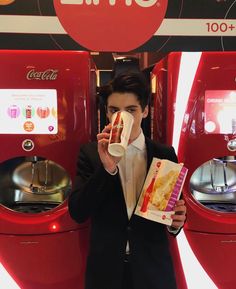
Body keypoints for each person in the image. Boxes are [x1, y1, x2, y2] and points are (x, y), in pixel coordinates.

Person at [68, 71, 187, 289]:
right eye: (114, 110)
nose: (122, 117)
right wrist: (108, 168)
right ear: (106, 113)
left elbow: (171, 213)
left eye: (131, 110)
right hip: (106, 271)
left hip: (153, 270)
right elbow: (78, 212)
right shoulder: (91, 153)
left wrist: (176, 222)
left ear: (145, 110)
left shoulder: (164, 153)